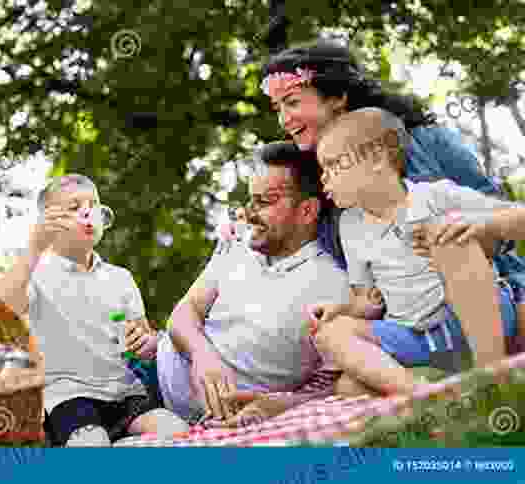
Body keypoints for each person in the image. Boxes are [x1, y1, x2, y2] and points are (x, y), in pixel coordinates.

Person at [260, 39, 525, 330]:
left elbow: (506, 222)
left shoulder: (427, 141)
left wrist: (476, 235)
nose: (284, 119)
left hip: (493, 296)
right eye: (277, 108)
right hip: (412, 326)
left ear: (337, 96)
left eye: (293, 102)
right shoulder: (317, 189)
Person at [311, 107, 525, 395]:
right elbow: (368, 301)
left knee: (448, 238)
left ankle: (491, 379)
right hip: (415, 336)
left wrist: (482, 226)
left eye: (333, 165)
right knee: (334, 343)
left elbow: (518, 217)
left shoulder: (436, 196)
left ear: (376, 159)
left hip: (476, 320)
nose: (324, 178)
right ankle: (424, 393)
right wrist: (343, 309)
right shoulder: (350, 225)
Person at [156, 142, 352, 426]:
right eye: (251, 200)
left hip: (195, 418)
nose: (250, 213)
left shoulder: (334, 286)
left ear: (307, 211)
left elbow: (340, 381)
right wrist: (202, 355)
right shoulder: (237, 247)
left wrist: (283, 405)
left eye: (265, 201)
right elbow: (184, 313)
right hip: (149, 374)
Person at [0, 174, 188, 446]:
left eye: (93, 204)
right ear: (49, 223)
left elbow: (141, 340)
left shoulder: (120, 278)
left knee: (176, 430)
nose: (87, 211)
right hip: (68, 396)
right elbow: (0, 306)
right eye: (74, 208)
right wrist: (34, 247)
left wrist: (146, 343)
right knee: (92, 443)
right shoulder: (36, 273)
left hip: (124, 392)